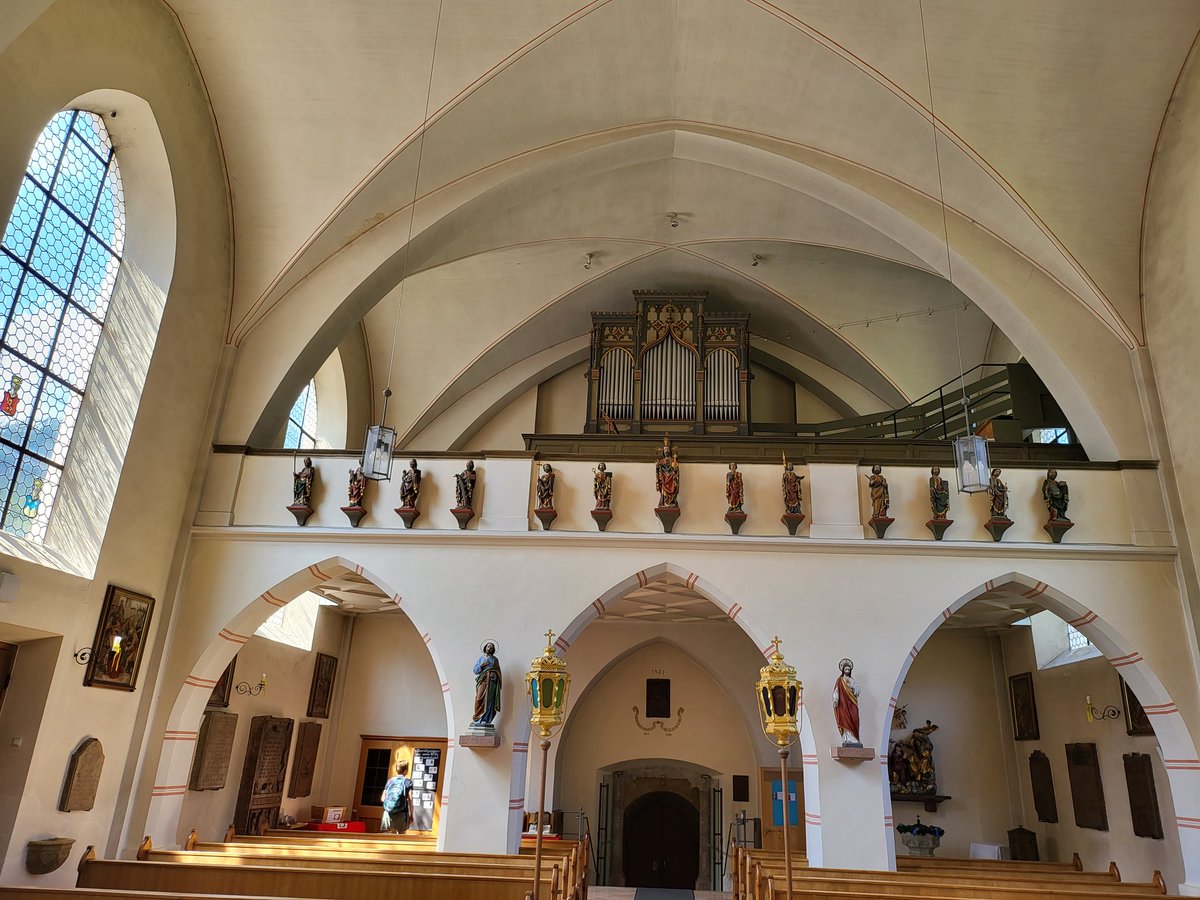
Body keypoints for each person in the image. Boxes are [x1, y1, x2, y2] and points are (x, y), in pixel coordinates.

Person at [832, 658, 861, 746]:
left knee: (854, 719)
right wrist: (836, 700)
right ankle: (847, 738)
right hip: (843, 704)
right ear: (843, 670)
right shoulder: (840, 680)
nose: (847, 671)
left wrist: (853, 688)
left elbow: (858, 690)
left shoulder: (852, 680)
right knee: (845, 719)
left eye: (849, 669)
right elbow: (836, 691)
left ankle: (854, 738)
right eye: (846, 669)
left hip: (852, 703)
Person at [472, 642, 502, 726]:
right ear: (485, 648)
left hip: (491, 682)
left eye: (491, 647)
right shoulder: (481, 659)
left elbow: (498, 671)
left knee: (489, 701)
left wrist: (495, 676)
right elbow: (475, 670)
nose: (489, 648)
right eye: (488, 646)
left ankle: (486, 718)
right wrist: (481, 665)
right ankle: (477, 717)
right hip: (482, 681)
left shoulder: (495, 660)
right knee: (479, 698)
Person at [380, 759, 413, 833]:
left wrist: (390, 804)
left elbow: (383, 798)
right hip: (402, 812)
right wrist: (412, 815)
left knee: (387, 836)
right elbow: (410, 799)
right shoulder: (408, 782)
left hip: (388, 812)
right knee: (401, 837)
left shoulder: (390, 781)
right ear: (405, 770)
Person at [655, 437, 679, 507]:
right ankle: (664, 503)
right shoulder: (661, 461)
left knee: (673, 488)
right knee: (663, 490)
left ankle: (671, 502)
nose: (666, 451)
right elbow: (658, 470)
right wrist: (657, 467)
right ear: (663, 451)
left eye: (667, 449)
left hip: (671, 478)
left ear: (670, 451)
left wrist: (675, 468)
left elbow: (676, 469)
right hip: (663, 478)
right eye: (665, 450)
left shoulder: (672, 459)